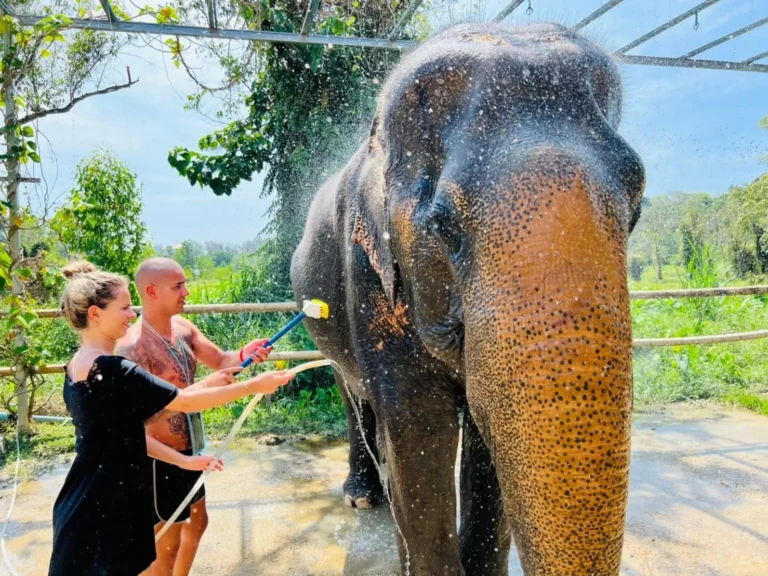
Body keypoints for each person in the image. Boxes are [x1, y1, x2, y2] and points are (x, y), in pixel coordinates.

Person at [49, 261, 294, 576]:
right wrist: (253, 386)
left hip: (89, 496)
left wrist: (186, 460)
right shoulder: (115, 367)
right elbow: (183, 400)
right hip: (107, 504)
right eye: (124, 307)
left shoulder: (77, 365)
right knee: (158, 553)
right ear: (95, 314)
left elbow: (124, 433)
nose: (131, 314)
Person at [114, 257, 274, 576]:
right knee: (164, 545)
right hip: (160, 461)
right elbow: (134, 419)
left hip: (191, 451)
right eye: (178, 286)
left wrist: (246, 354)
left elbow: (221, 360)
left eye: (185, 283)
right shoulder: (130, 348)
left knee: (198, 523)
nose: (187, 291)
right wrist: (206, 387)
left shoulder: (184, 329)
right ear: (151, 291)